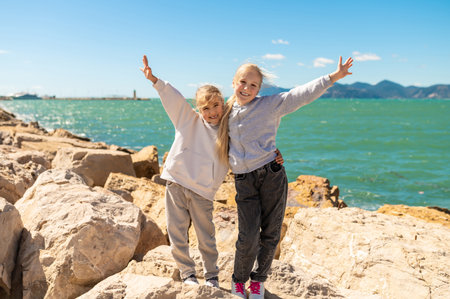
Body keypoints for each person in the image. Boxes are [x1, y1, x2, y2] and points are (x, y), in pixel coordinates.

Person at [140, 55, 284, 289]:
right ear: (199, 109)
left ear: (222, 104)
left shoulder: (229, 131)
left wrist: (272, 153)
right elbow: (173, 99)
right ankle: (187, 273)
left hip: (203, 192)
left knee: (206, 237)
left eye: (216, 105)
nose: (212, 112)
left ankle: (211, 276)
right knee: (177, 233)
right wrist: (155, 80)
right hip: (176, 183)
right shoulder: (188, 120)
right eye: (205, 108)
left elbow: (251, 141)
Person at [217, 56, 353, 298]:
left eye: (253, 85)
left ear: (260, 89)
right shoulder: (225, 110)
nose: (247, 89)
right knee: (247, 236)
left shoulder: (270, 105)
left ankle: (258, 281)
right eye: (243, 82)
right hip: (244, 181)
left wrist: (332, 77)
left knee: (270, 233)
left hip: (271, 175)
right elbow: (201, 124)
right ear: (233, 82)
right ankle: (238, 281)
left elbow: (300, 95)